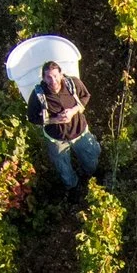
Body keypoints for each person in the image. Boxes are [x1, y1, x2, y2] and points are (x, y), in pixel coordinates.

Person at [28, 61, 101, 190]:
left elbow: (85, 96)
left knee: (91, 160)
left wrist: (72, 111)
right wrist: (55, 120)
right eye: (48, 77)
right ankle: (73, 188)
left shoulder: (73, 83)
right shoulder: (38, 95)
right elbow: (32, 117)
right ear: (43, 78)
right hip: (56, 139)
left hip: (79, 132)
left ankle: (91, 177)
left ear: (61, 74)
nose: (53, 80)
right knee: (64, 169)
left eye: (55, 76)